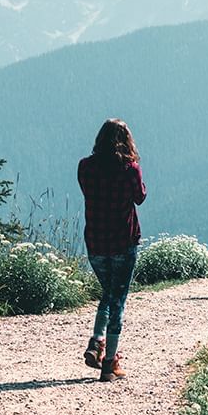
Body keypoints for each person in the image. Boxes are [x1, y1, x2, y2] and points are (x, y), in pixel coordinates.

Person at [78, 118, 147, 382]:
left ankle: (97, 342)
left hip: (95, 242)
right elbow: (139, 197)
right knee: (118, 300)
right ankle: (110, 362)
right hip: (123, 241)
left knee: (108, 292)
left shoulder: (85, 167)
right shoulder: (130, 169)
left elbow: (87, 191)